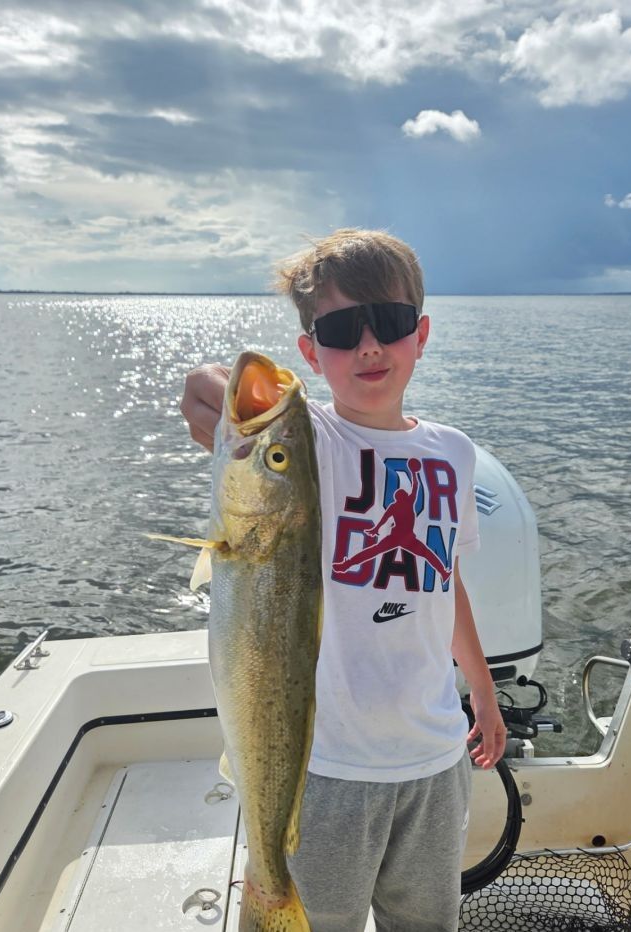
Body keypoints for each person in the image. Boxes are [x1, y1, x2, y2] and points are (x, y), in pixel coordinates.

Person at [180, 228, 506, 932]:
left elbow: (441, 576)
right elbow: (214, 388)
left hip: (435, 761)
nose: (368, 347)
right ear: (310, 350)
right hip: (322, 773)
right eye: (339, 329)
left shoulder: (452, 451)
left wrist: (481, 689)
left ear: (420, 336)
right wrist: (216, 393)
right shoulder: (310, 439)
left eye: (387, 325)